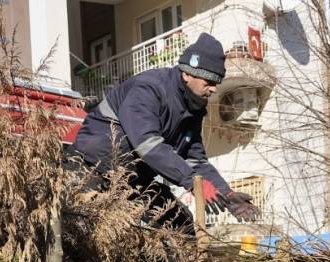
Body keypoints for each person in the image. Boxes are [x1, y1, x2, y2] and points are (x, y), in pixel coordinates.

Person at [70, 33, 259, 229]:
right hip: (91, 169)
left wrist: (225, 194)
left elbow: (195, 161)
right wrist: (192, 183)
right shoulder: (149, 88)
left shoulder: (192, 109)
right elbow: (148, 144)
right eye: (208, 82)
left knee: (181, 226)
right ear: (187, 74)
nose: (213, 89)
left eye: (216, 83)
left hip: (133, 178)